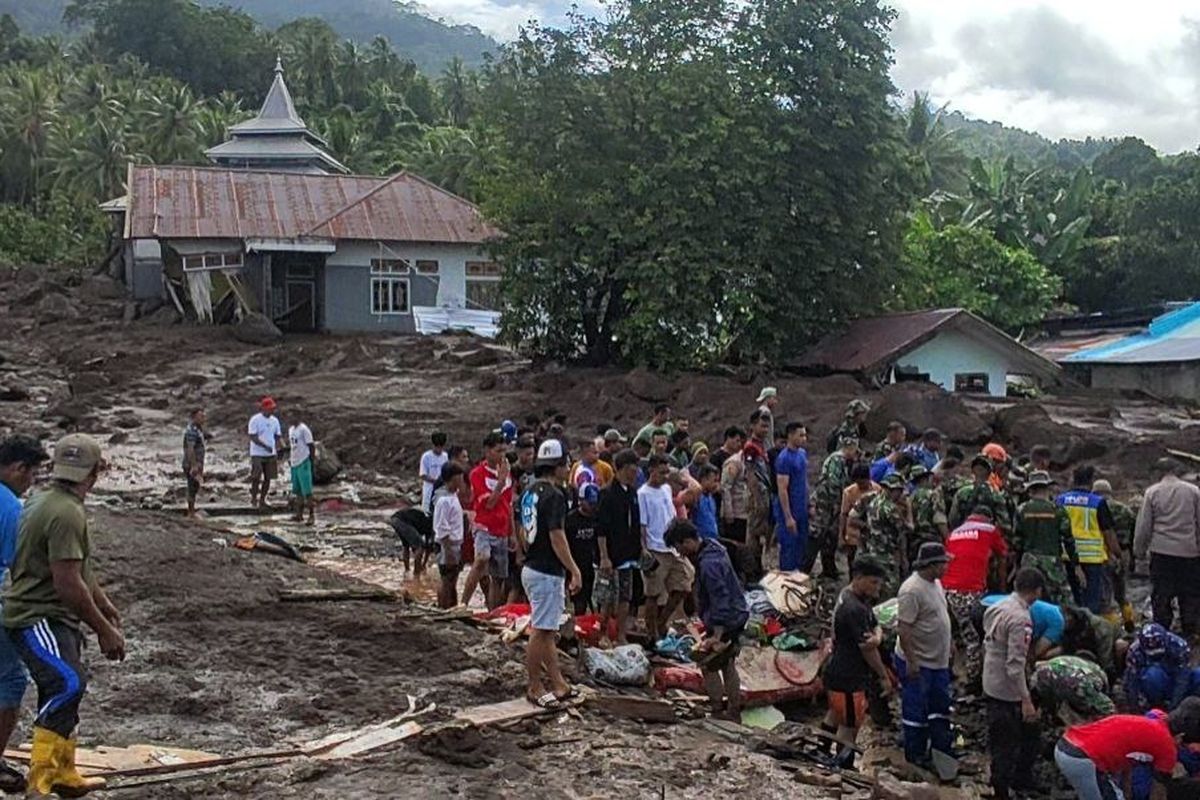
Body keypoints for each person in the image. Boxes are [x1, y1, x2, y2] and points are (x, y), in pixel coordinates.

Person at [6, 434, 124, 797]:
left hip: (52, 615)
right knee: (67, 683)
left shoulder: (46, 501)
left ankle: (64, 770)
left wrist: (105, 606)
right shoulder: (66, 512)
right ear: (94, 473)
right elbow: (68, 583)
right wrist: (103, 629)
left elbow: (79, 568)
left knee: (63, 686)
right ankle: (41, 777)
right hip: (35, 615)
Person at [518, 439, 582, 710]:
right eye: (566, 464)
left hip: (532, 565)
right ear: (556, 466)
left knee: (547, 631)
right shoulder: (555, 496)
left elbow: (522, 528)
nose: (568, 469)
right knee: (541, 631)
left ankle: (558, 682)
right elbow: (558, 536)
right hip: (546, 570)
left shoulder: (529, 491)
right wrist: (574, 569)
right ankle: (534, 685)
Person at [0, 436, 48, 790]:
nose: (32, 480)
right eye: (32, 473)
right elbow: (22, 570)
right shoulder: (12, 509)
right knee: (10, 681)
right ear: (18, 469)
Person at [667, 519, 748, 721]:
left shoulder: (709, 564)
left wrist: (717, 635)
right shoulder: (713, 548)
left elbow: (720, 598)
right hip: (735, 615)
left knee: (709, 664)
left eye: (679, 547)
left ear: (687, 541)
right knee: (727, 663)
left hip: (726, 620)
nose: (679, 553)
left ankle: (719, 710)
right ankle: (732, 709)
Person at [820, 556, 895, 767]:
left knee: (835, 713)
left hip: (836, 668)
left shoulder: (850, 596)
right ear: (859, 578)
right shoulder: (854, 609)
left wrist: (877, 637)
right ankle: (843, 766)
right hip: (849, 674)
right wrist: (883, 676)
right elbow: (867, 650)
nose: (877, 589)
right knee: (850, 723)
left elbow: (875, 624)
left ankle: (821, 751)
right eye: (873, 582)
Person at [1055, 699, 1200, 800]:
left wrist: (1126, 791)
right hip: (1083, 759)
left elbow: (1129, 756)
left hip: (1069, 743)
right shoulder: (1167, 748)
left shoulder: (1156, 716)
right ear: (1180, 736)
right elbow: (1158, 792)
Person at [982, 567, 1045, 800]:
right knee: (1008, 741)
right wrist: (1025, 700)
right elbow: (1015, 664)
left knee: (1002, 737)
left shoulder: (998, 606)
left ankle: (1010, 780)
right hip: (1007, 689)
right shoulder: (1021, 619)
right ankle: (1002, 789)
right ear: (1037, 591)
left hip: (990, 679)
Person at [894, 542, 954, 769]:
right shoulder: (911, 590)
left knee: (939, 707)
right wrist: (911, 661)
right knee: (915, 710)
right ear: (931, 565)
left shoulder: (936, 584)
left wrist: (951, 643)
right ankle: (915, 755)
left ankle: (941, 751)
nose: (946, 567)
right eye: (943, 563)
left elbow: (941, 614)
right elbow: (904, 628)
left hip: (937, 661)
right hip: (919, 661)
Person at [1135, 458, 1200, 637]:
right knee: (1190, 594)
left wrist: (1139, 551)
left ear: (1159, 473)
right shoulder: (1193, 491)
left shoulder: (1152, 492)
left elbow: (1144, 526)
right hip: (1189, 552)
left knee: (1162, 595)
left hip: (1161, 552)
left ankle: (1162, 631)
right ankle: (1190, 630)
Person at [943, 507, 1008, 688]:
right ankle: (972, 682)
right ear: (989, 518)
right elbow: (1003, 556)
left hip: (944, 590)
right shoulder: (989, 530)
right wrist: (1002, 589)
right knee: (974, 638)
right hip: (968, 590)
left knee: (947, 634)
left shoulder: (954, 533)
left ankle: (946, 672)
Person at [639, 455, 694, 642]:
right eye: (661, 472)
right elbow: (642, 525)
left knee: (684, 584)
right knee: (653, 593)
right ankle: (651, 632)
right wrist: (644, 549)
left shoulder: (666, 489)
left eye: (666, 472)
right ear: (651, 471)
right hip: (655, 548)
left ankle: (663, 622)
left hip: (672, 547)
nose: (664, 476)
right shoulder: (643, 494)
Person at [1058, 465, 1121, 614]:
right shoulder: (1097, 502)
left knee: (1072, 597)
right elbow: (1108, 533)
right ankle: (1089, 629)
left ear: (1074, 480)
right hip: (1092, 559)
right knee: (1092, 600)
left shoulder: (1061, 500)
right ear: (1091, 481)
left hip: (1068, 557)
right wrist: (1117, 554)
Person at [462, 432, 514, 610]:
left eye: (504, 451)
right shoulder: (477, 474)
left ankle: (492, 611)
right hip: (484, 525)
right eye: (498, 451)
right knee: (481, 559)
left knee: (498, 577)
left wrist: (512, 533)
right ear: (487, 451)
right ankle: (463, 603)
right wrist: (500, 482)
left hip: (502, 528)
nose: (502, 455)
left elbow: (509, 504)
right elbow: (489, 504)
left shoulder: (507, 474)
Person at [595, 449, 641, 645]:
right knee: (607, 597)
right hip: (611, 553)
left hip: (628, 553)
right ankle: (603, 632)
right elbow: (601, 528)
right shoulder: (606, 494)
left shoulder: (632, 493)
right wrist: (604, 556)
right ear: (621, 469)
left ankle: (620, 634)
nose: (635, 473)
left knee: (625, 595)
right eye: (632, 469)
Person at [1014, 471, 1080, 605]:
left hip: (1029, 561)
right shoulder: (1057, 510)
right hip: (1053, 562)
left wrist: (1016, 563)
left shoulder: (1021, 510)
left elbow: (1016, 540)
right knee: (1063, 601)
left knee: (1027, 600)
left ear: (1030, 490)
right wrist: (1076, 564)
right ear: (1047, 488)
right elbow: (1069, 540)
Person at [809, 436, 859, 579]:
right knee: (817, 536)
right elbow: (833, 484)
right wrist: (839, 503)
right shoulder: (836, 460)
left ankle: (829, 569)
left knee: (829, 538)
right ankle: (805, 568)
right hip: (825, 504)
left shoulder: (843, 462)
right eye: (855, 450)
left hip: (832, 505)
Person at [854, 473, 911, 600]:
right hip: (887, 556)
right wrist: (909, 508)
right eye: (899, 491)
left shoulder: (873, 502)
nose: (901, 494)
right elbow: (907, 529)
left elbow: (853, 518)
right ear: (892, 490)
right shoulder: (890, 508)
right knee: (889, 592)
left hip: (873, 552)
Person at [1123, 623, 1200, 712]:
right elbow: (1132, 682)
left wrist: (1174, 707)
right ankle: (1157, 706)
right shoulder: (1134, 651)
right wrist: (1134, 710)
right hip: (1154, 683)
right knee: (1152, 674)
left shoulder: (1179, 645)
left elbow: (1183, 678)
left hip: (1178, 681)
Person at [1094, 478, 1137, 628]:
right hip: (1123, 553)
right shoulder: (1125, 510)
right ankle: (1128, 620)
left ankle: (1110, 628)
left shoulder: (1095, 509)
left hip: (1103, 554)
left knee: (1105, 595)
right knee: (1122, 592)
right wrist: (1132, 557)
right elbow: (1133, 534)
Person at [980, 593, 1065, 662]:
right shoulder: (1058, 622)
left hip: (986, 603)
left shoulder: (1051, 610)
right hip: (999, 613)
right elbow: (1037, 651)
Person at [1032, 655, 1115, 722]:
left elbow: (1109, 710)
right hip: (1058, 678)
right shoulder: (1083, 686)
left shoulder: (1084, 687)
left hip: (1066, 677)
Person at [774, 422, 809, 573]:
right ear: (790, 435)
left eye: (805, 435)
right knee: (789, 547)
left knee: (802, 546)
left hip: (802, 507)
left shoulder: (802, 454)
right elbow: (782, 489)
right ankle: (786, 579)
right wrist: (788, 516)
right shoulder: (784, 459)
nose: (804, 438)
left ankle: (798, 578)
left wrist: (809, 504)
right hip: (789, 509)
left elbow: (804, 480)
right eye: (800, 435)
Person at [432, 462, 466, 609]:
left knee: (452, 579)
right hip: (447, 545)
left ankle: (450, 606)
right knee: (447, 579)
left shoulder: (452, 496)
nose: (462, 480)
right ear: (452, 479)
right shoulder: (444, 501)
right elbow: (442, 528)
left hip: (454, 544)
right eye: (459, 477)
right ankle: (443, 606)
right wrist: (449, 551)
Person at [949, 454, 1009, 535]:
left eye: (982, 469)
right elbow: (1004, 524)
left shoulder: (963, 492)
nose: (979, 471)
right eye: (977, 468)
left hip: (968, 534)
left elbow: (953, 519)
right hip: (981, 535)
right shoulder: (995, 494)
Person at [564, 484, 600, 619]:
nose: (592, 507)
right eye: (590, 503)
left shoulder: (596, 518)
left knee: (591, 598)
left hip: (591, 565)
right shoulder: (571, 519)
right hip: (575, 563)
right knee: (578, 601)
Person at [840, 460, 878, 567]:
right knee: (853, 563)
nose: (860, 486)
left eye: (862, 483)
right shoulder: (849, 492)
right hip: (853, 533)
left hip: (871, 534)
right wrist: (841, 537)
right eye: (858, 483)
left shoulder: (877, 490)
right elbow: (844, 514)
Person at [247, 396, 283, 509]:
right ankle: (253, 498)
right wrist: (264, 446)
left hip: (271, 454)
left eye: (273, 408)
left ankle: (263, 499)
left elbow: (278, 436)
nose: (272, 410)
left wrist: (281, 446)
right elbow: (253, 437)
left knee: (268, 477)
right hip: (257, 453)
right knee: (256, 477)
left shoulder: (275, 421)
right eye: (270, 408)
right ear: (263, 408)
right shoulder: (255, 420)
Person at [287, 415, 316, 526]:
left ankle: (311, 515)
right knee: (298, 491)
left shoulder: (304, 430)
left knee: (307, 491)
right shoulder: (291, 430)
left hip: (303, 461)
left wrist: (311, 462)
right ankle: (299, 514)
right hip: (295, 462)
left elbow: (311, 445)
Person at [907, 466, 939, 565]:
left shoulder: (910, 497)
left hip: (915, 537)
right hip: (931, 536)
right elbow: (939, 518)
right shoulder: (932, 494)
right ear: (924, 479)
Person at [182, 407, 207, 517]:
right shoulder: (191, 430)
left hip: (198, 462)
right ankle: (190, 512)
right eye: (200, 416)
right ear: (194, 417)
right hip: (192, 463)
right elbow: (190, 449)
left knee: (195, 486)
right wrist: (194, 465)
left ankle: (192, 510)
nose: (203, 418)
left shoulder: (198, 429)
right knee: (192, 486)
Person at [419, 432, 449, 512]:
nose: (439, 449)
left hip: (442, 490)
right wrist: (436, 481)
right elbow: (423, 475)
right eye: (437, 447)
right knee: (428, 512)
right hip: (429, 489)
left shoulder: (445, 457)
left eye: (441, 447)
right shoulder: (426, 457)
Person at [689, 465, 721, 541]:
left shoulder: (711, 498)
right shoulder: (696, 497)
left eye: (718, 481)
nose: (716, 485)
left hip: (713, 539)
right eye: (714, 481)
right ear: (703, 479)